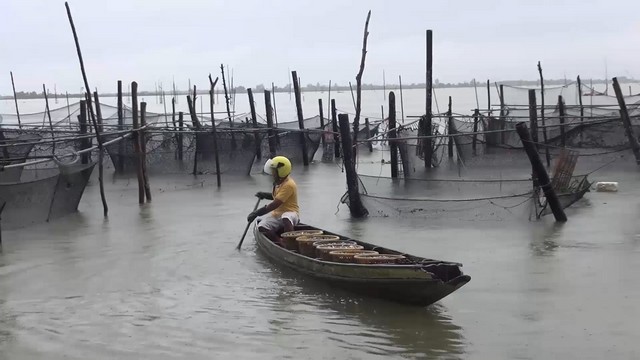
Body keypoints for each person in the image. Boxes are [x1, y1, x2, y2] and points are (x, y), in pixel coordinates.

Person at [247, 156, 299, 245]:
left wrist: (257, 213)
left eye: (274, 171)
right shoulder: (278, 183)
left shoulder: (289, 184)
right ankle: (281, 242)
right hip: (277, 215)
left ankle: (290, 240)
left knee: (285, 217)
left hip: (291, 214)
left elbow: (275, 204)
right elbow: (277, 197)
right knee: (262, 226)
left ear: (281, 171)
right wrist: (265, 195)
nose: (272, 173)